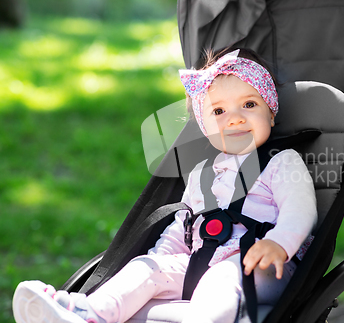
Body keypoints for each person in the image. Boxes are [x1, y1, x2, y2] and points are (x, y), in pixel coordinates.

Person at [12, 48, 317, 323]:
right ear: (205, 126)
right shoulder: (202, 173)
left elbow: (300, 210)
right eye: (219, 112)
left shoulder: (281, 161)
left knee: (222, 279)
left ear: (271, 113)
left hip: (260, 265)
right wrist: (161, 258)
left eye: (249, 104)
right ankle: (89, 312)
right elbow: (184, 225)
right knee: (146, 268)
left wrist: (279, 243)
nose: (235, 119)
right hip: (200, 261)